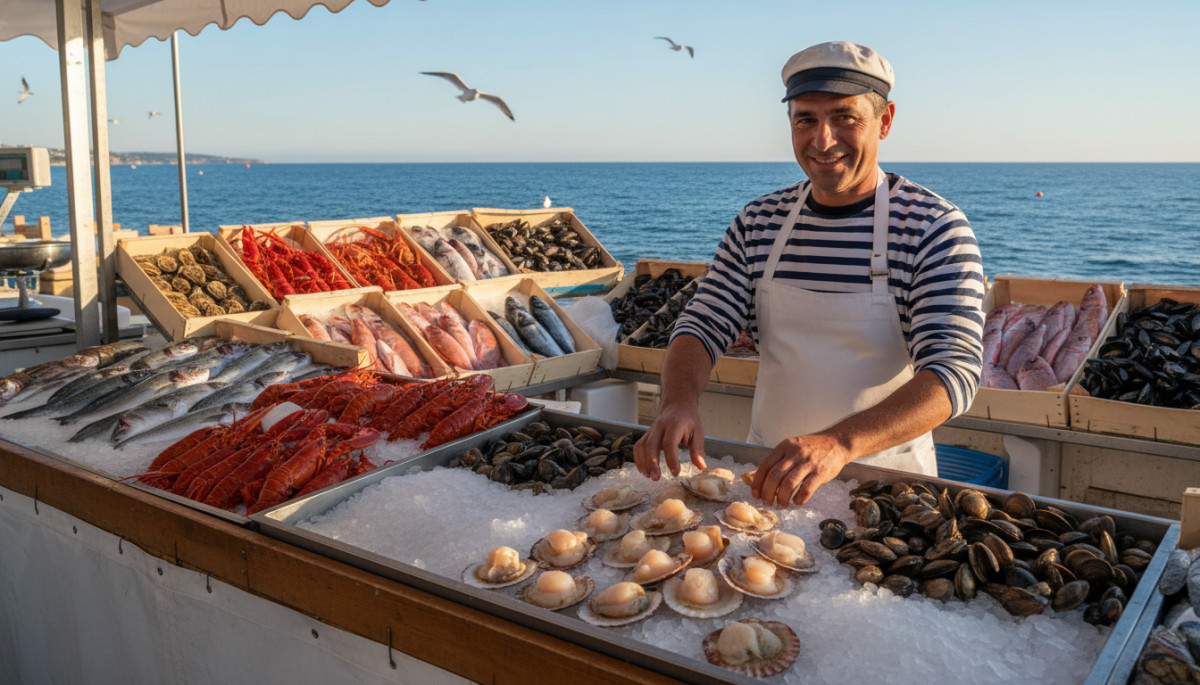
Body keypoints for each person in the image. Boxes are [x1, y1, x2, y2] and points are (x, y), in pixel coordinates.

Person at [633, 41, 985, 508]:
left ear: (885, 121)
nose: (822, 140)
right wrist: (677, 402)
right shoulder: (759, 222)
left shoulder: (933, 227)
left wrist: (839, 444)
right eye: (806, 120)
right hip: (768, 478)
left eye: (845, 118)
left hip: (889, 494)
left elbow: (952, 373)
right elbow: (702, 325)